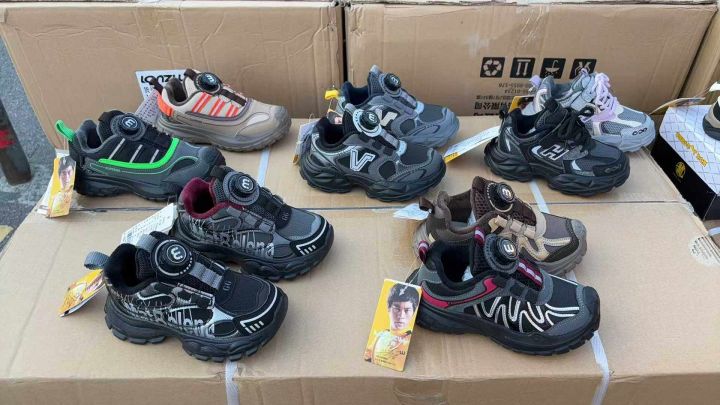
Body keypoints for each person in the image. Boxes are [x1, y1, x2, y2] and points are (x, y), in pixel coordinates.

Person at [364, 283, 419, 368]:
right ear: (389, 308)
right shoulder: (380, 335)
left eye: (407, 310)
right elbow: (368, 357)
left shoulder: (408, 340)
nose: (401, 316)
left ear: (413, 312)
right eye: (397, 309)